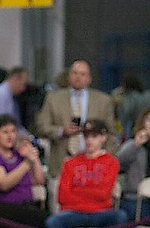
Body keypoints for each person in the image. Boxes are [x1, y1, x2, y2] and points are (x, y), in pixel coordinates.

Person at [45, 119, 127, 228]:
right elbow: (63, 196)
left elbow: (105, 193)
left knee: (120, 217)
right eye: (87, 136)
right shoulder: (70, 163)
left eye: (94, 136)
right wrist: (91, 194)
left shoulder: (111, 162)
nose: (89, 140)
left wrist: (80, 193)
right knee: (52, 222)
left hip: (100, 212)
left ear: (103, 138)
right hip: (74, 213)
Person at [36, 60, 116, 211]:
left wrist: (106, 158)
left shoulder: (103, 100)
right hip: (61, 160)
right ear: (69, 76)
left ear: (89, 78)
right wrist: (61, 131)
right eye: (75, 73)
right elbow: (41, 127)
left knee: (91, 214)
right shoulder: (53, 98)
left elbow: (111, 133)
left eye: (83, 74)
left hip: (93, 167)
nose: (78, 77)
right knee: (59, 213)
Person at [117, 107, 150, 228]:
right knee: (144, 215)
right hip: (134, 199)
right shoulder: (133, 144)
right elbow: (117, 164)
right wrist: (136, 145)